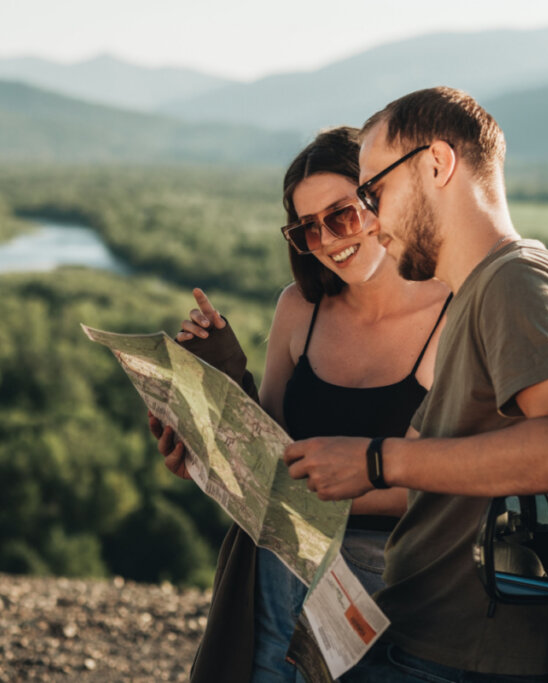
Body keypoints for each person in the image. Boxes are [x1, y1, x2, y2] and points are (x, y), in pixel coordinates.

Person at [284, 87, 548, 681]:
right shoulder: (480, 292)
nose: (372, 220)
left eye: (373, 192)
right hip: (427, 640)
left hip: (461, 656)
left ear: (437, 164)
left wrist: (378, 460)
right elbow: (446, 460)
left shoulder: (517, 282)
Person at [148, 126, 451, 682]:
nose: (330, 239)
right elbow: (270, 456)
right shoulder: (299, 308)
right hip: (282, 570)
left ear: (381, 197)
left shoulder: (452, 314)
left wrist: (311, 489)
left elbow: (451, 484)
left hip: (394, 583)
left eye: (343, 214)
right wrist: (204, 439)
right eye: (308, 228)